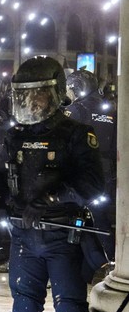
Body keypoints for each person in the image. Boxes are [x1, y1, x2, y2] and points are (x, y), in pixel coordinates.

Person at [0, 56, 114, 312]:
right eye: (25, 96)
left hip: (61, 237)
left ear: (56, 94)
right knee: (24, 309)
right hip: (25, 238)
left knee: (69, 310)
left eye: (40, 95)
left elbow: (93, 186)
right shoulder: (15, 135)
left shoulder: (76, 135)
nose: (32, 103)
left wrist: (52, 199)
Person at [64, 69, 117, 264]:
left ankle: (70, 264)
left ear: (77, 88)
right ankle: (111, 260)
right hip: (105, 172)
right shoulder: (109, 110)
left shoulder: (76, 110)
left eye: (69, 88)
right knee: (100, 218)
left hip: (81, 171)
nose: (68, 93)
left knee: (71, 217)